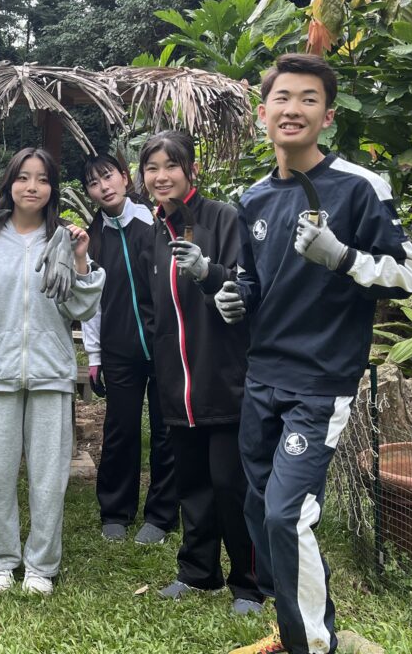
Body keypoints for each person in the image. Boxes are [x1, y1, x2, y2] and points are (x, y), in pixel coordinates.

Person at [220, 54, 412, 654]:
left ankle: (313, 645)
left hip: (320, 381)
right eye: (283, 98)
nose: (294, 109)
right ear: (263, 113)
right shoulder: (254, 197)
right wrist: (235, 296)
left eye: (309, 99)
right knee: (261, 510)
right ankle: (299, 630)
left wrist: (342, 256)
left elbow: (409, 274)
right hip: (263, 376)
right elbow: (255, 281)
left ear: (327, 116)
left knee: (287, 514)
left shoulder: (359, 187)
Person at [0, 147, 105, 596]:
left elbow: (81, 308)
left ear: (53, 188)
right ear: (9, 183)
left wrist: (80, 261)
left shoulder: (64, 238)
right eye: (23, 177)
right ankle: (0, 560)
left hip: (51, 372)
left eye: (43, 179)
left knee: (49, 478)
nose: (32, 186)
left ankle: (41, 566)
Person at [140, 130, 264, 615]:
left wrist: (208, 271)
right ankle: (197, 572)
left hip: (224, 378)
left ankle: (249, 584)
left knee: (231, 485)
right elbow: (155, 310)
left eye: (170, 165)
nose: (161, 176)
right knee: (192, 484)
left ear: (191, 169)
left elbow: (247, 286)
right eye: (151, 168)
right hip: (177, 384)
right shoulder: (154, 232)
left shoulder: (222, 218)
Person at [81, 153, 177, 545]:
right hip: (118, 349)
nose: (103, 187)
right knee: (120, 429)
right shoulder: (93, 239)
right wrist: (94, 356)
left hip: (164, 345)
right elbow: (90, 302)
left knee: (166, 430)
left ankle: (162, 514)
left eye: (108, 177)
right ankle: (115, 511)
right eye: (93, 183)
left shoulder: (153, 224)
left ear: (124, 177)